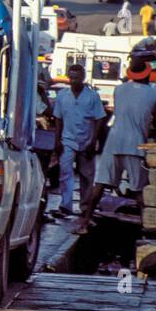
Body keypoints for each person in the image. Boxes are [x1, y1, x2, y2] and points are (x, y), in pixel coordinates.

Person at [80, 57, 156, 229]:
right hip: (135, 144)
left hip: (114, 141)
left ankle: (85, 222)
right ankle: (146, 226)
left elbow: (128, 110)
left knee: (100, 185)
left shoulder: (119, 90)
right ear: (147, 75)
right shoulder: (154, 94)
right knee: (139, 189)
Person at [51, 64, 107, 218]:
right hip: (67, 140)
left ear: (83, 78)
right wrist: (57, 141)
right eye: (71, 78)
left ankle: (85, 206)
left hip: (87, 141)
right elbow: (58, 119)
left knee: (87, 176)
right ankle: (65, 205)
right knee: (65, 173)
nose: (74, 81)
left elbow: (99, 119)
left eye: (77, 78)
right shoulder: (62, 95)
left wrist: (94, 141)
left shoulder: (92, 96)